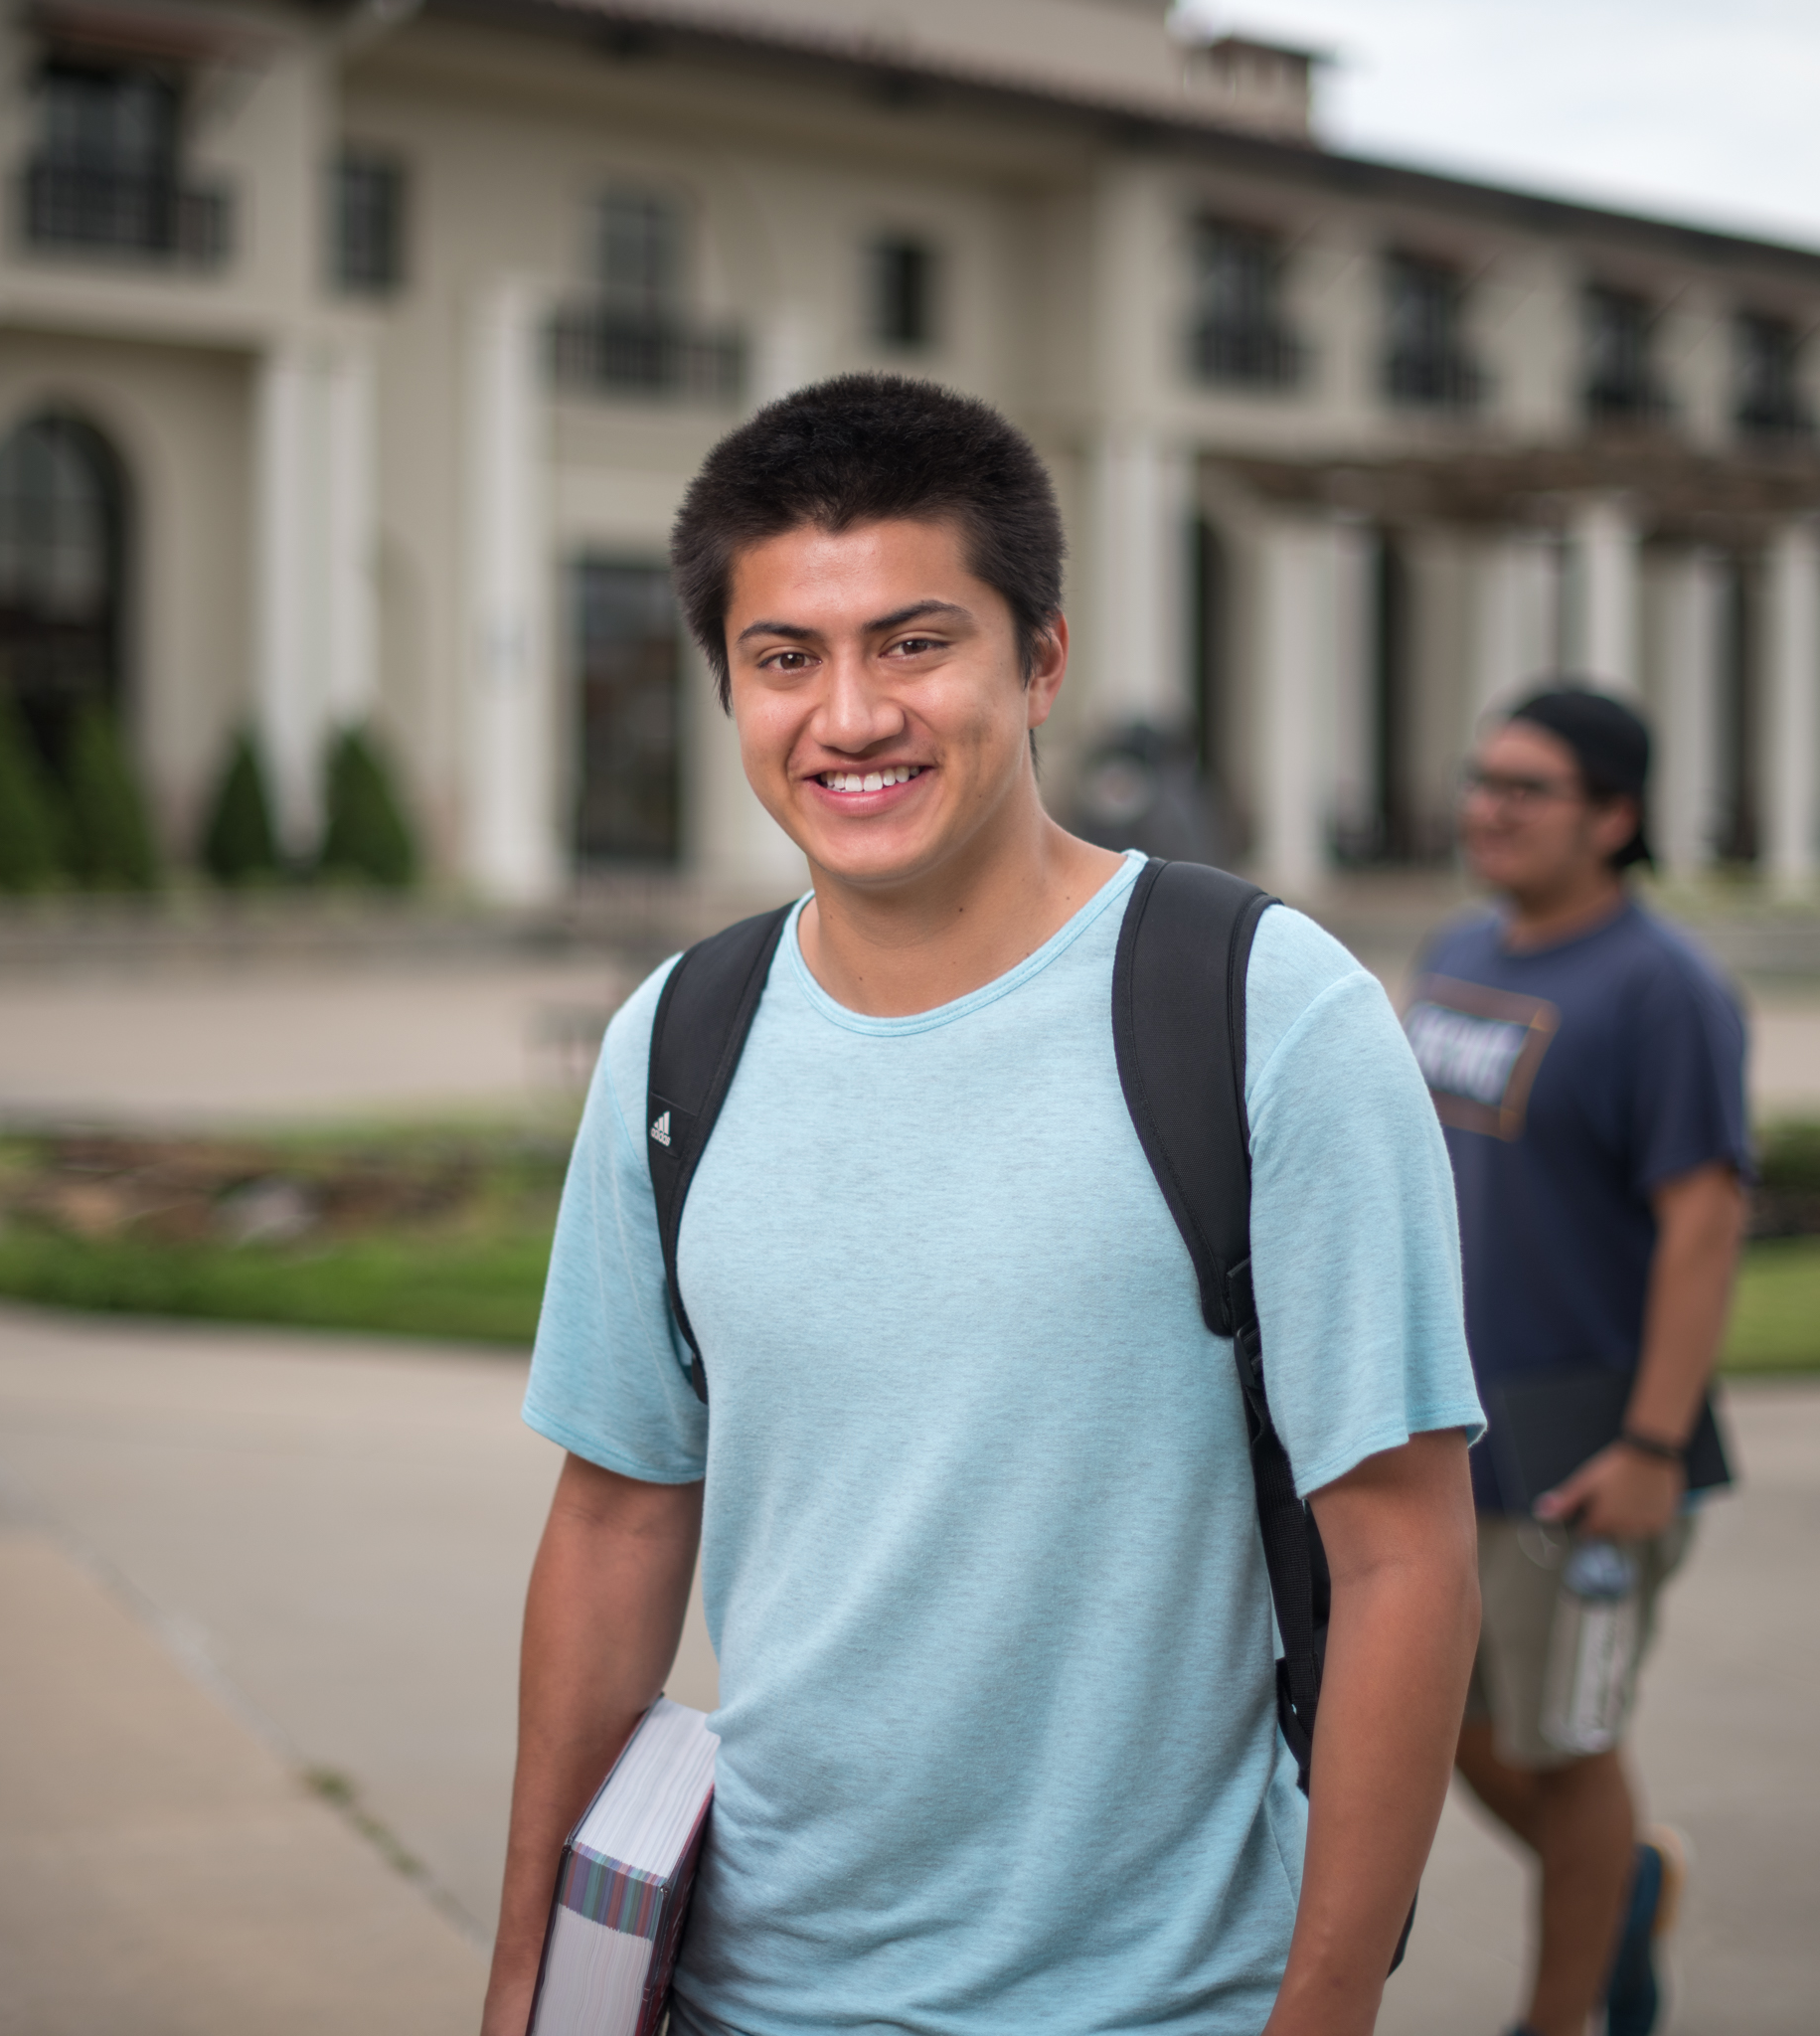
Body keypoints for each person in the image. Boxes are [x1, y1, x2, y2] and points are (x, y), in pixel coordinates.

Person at [482, 373, 1484, 2036]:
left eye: (914, 643)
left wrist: (1321, 2016)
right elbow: (614, 1519)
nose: (850, 716)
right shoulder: (678, 1038)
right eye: (783, 659)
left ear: (1041, 662)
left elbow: (1405, 1559)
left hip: (1163, 2003)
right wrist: (528, 1981)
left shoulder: (1261, 1010)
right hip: (752, 1991)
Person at [1406, 688, 1749, 2036]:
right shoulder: (1455, 949)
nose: (1486, 805)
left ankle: (1564, 2018)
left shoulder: (1661, 989)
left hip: (1587, 1435)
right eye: (1481, 775)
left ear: (1615, 818)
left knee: (1569, 1737)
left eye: (1527, 787)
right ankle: (1624, 1882)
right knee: (1435, 1722)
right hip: (1453, 1423)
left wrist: (1653, 1447)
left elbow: (1705, 1222)